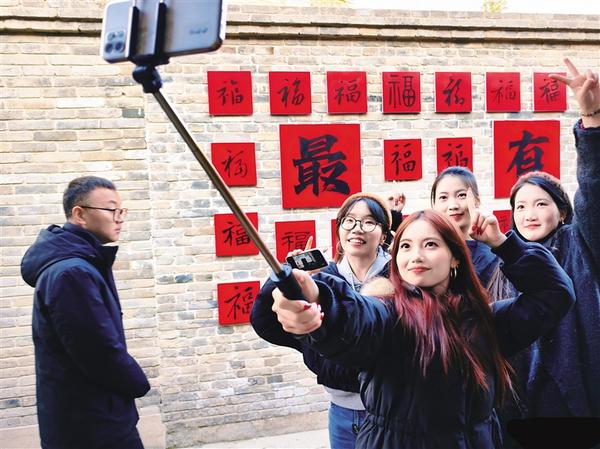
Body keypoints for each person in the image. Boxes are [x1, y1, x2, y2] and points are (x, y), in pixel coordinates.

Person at [267, 209, 575, 449]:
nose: (416, 255)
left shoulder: (486, 321)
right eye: (405, 246)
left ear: (455, 258)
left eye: (430, 244)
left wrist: (504, 245)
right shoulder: (388, 316)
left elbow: (555, 294)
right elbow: (354, 316)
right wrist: (317, 296)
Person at [251, 192, 394, 449]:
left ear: (383, 234)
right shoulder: (321, 278)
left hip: (390, 411)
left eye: (369, 222)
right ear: (339, 229)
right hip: (340, 410)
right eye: (349, 221)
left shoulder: (399, 276)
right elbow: (265, 321)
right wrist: (290, 274)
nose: (357, 229)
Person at [21, 176, 150, 449]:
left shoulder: (80, 263)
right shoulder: (72, 273)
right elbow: (98, 351)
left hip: (87, 416)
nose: (119, 218)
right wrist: (138, 383)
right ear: (80, 214)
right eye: (112, 210)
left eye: (121, 210)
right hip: (91, 424)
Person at [507, 58, 600, 421]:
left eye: (541, 204)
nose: (529, 214)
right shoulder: (504, 258)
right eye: (521, 206)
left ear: (562, 212)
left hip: (575, 404)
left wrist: (591, 121)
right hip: (515, 409)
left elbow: (593, 194)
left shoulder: (580, 245)